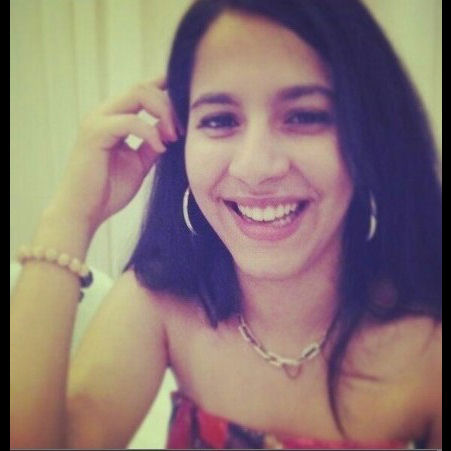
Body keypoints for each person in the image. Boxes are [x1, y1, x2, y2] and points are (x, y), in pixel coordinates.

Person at [11, 0, 441, 449]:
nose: (255, 168)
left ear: (370, 137)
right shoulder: (160, 303)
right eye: (219, 120)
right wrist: (71, 214)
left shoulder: (429, 343)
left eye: (304, 116)